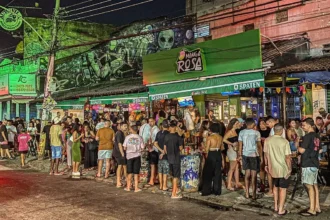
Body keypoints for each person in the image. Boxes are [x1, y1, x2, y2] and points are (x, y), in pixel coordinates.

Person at [264, 123, 292, 216]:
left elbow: (266, 154)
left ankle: (276, 206)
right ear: (281, 131)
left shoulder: (267, 140)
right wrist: (290, 169)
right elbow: (288, 157)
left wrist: (266, 165)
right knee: (283, 189)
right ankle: (281, 209)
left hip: (272, 168)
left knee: (275, 187)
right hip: (282, 168)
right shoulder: (285, 142)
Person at [299, 118, 321, 217]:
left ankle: (312, 209)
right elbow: (319, 150)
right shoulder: (317, 136)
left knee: (309, 185)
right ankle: (317, 206)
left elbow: (301, 150)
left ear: (309, 125)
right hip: (315, 162)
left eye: (304, 125)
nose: (302, 127)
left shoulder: (307, 137)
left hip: (308, 163)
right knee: (314, 184)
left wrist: (297, 143)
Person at [238, 118, 262, 200]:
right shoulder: (256, 133)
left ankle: (247, 193)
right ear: (252, 124)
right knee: (254, 176)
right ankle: (254, 194)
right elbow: (259, 146)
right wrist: (261, 156)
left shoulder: (241, 132)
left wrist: (239, 155)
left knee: (247, 174)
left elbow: (240, 145)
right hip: (254, 155)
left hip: (245, 155)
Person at [201, 123, 224, 196]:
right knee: (217, 173)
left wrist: (203, 146)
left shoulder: (210, 137)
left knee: (208, 173)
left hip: (211, 153)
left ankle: (206, 190)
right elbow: (222, 148)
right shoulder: (220, 137)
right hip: (218, 154)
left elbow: (206, 149)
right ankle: (217, 190)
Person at [164, 120, 184, 199]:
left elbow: (165, 148)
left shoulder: (167, 136)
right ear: (175, 128)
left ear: (169, 128)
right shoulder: (178, 137)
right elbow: (181, 148)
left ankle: (175, 190)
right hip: (176, 158)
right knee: (176, 176)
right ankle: (174, 193)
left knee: (172, 175)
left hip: (169, 158)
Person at [123, 125, 145, 192]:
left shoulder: (127, 137)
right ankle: (136, 188)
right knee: (136, 173)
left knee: (129, 172)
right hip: (137, 156)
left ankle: (128, 187)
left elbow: (124, 147)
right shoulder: (140, 137)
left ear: (131, 130)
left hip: (129, 156)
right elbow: (142, 147)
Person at [223, 118, 242, 190]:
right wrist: (231, 144)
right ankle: (229, 184)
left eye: (238, 123)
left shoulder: (235, 131)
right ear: (233, 124)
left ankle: (237, 182)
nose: (238, 125)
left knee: (237, 167)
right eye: (236, 123)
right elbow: (224, 139)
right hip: (232, 151)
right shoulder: (230, 132)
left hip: (235, 151)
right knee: (232, 168)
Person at [154, 120, 170, 191]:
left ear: (162, 126)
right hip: (166, 155)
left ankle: (161, 185)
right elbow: (167, 145)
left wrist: (160, 151)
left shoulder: (159, 133)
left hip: (159, 154)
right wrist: (163, 151)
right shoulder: (169, 134)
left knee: (160, 171)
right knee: (165, 171)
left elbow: (155, 143)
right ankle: (164, 186)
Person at [257, 118, 270, 192]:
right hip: (260, 152)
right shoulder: (257, 132)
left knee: (268, 167)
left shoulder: (270, 132)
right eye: (260, 124)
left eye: (263, 123)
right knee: (261, 168)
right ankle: (262, 183)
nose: (261, 125)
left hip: (268, 151)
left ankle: (269, 182)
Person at [113, 122, 128, 188]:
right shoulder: (119, 133)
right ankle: (118, 181)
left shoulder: (123, 133)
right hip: (119, 152)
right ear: (121, 126)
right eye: (124, 126)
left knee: (123, 166)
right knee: (120, 166)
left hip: (121, 152)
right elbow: (119, 144)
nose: (126, 127)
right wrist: (122, 153)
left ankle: (123, 180)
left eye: (126, 126)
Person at [147, 118, 160, 186]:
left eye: (151, 121)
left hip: (155, 149)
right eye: (149, 121)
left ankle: (152, 179)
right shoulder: (150, 129)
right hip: (152, 149)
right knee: (154, 165)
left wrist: (150, 145)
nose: (150, 123)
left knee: (153, 165)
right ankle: (155, 178)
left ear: (154, 122)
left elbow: (155, 141)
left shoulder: (156, 130)